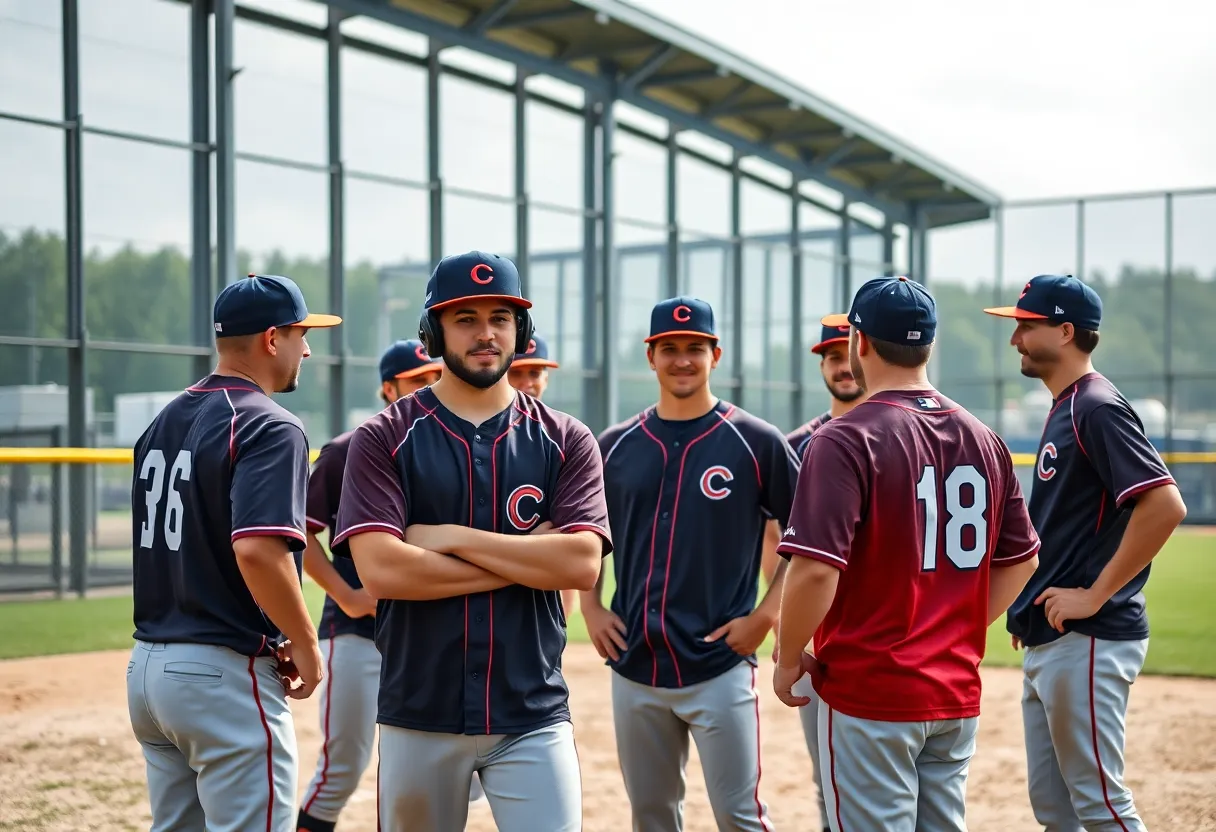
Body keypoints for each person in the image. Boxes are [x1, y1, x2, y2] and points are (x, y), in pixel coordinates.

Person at [331, 251, 612, 832]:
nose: (486, 333)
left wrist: (451, 539)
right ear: (434, 332)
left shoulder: (566, 439)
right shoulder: (383, 438)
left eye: (501, 317)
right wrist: (532, 558)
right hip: (419, 711)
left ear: (520, 331)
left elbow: (582, 563)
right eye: (464, 318)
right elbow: (383, 572)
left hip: (532, 711)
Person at [773, 276, 1042, 832]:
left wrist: (786, 656)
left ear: (860, 343)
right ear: (930, 346)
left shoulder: (845, 437)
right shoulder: (984, 437)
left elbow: (816, 570)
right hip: (953, 690)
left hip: (871, 690)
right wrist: (947, 628)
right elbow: (1022, 561)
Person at [126, 274, 341, 831]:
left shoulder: (161, 422)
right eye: (300, 333)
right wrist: (305, 640)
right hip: (221, 672)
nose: (308, 348)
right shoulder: (271, 424)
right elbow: (258, 552)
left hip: (148, 669)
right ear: (272, 339)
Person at [585, 296, 800, 832]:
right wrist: (589, 606)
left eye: (695, 348)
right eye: (671, 348)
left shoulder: (756, 442)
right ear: (651, 356)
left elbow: (810, 539)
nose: (683, 359)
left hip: (719, 662)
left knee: (740, 816)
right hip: (635, 663)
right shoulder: (614, 446)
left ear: (715, 355)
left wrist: (767, 615)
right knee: (652, 817)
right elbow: (585, 539)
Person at [984, 274, 1187, 832]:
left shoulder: (1095, 406)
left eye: (1026, 326)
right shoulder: (1065, 405)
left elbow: (1164, 506)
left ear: (1066, 331)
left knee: (1100, 808)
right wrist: (1027, 608)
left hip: (1090, 637)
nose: (1015, 339)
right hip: (1055, 635)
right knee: (1058, 810)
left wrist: (1095, 594)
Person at [296, 339, 446, 832]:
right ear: (388, 388)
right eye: (416, 381)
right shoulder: (348, 449)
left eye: (434, 378)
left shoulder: (443, 453)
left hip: (422, 634)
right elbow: (300, 536)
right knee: (343, 768)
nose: (429, 387)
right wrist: (345, 595)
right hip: (356, 632)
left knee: (418, 774)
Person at [760, 317, 865, 832]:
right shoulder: (796, 445)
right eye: (830, 357)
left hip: (877, 624)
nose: (841, 366)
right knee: (828, 778)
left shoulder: (897, 431)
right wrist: (784, 620)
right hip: (819, 632)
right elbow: (772, 539)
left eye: (847, 353)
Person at [507, 331, 577, 617]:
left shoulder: (563, 439)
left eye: (535, 372)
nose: (527, 383)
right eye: (517, 372)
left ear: (546, 378)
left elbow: (572, 545)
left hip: (540, 601)